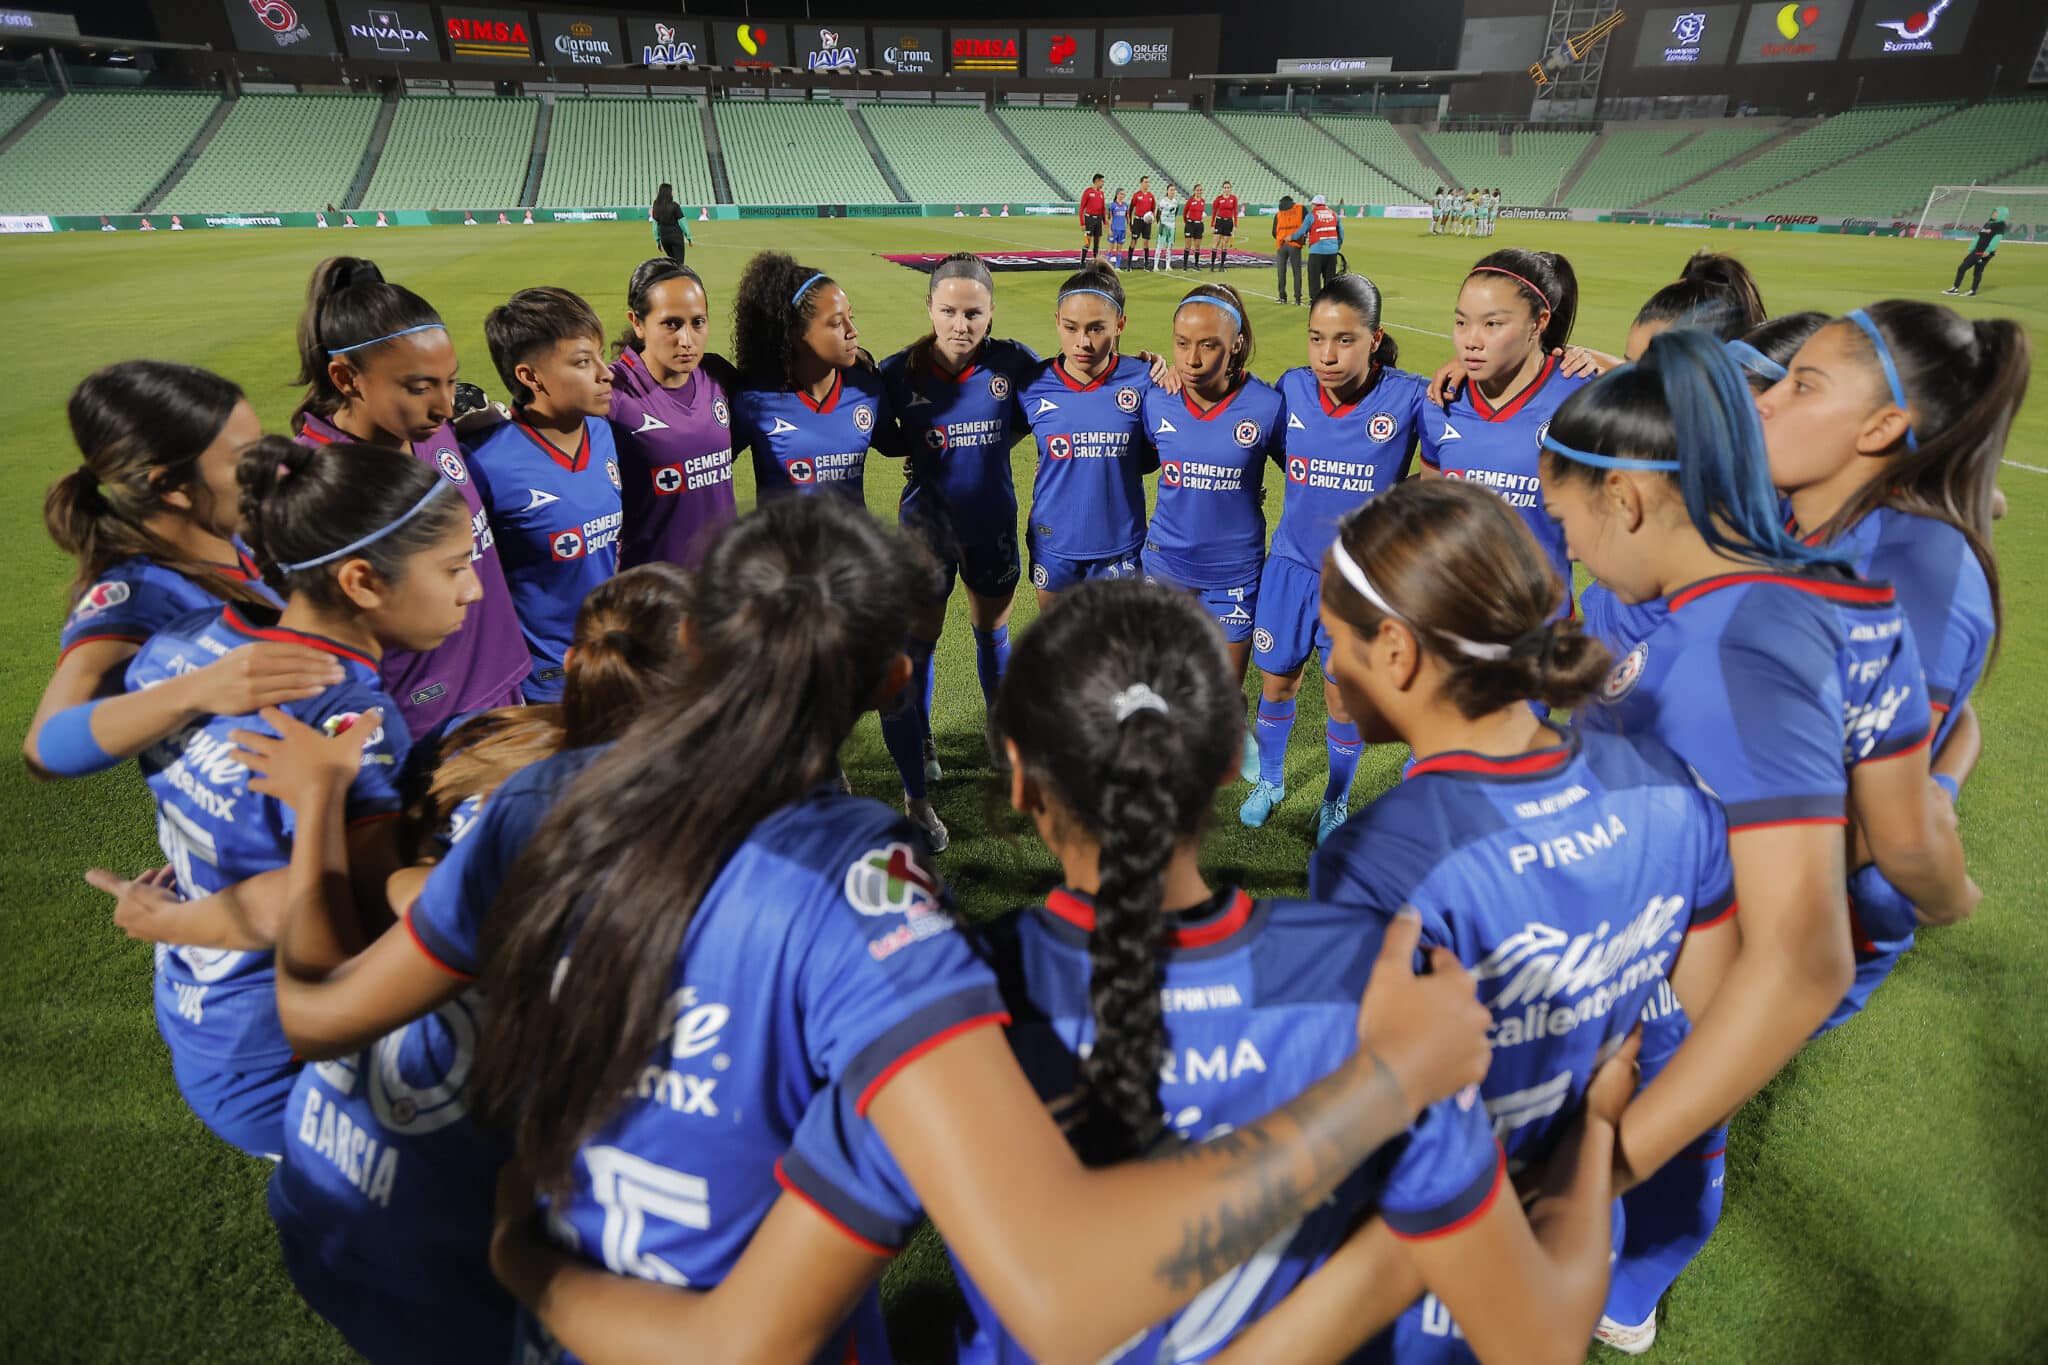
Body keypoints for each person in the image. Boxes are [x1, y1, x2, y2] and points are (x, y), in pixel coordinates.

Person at [458, 495, 1493, 1365]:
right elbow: (1056, 1293)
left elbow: (334, 1002)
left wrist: (516, 1254)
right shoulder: (866, 896)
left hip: (579, 1307)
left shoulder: (540, 807)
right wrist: (1388, 1093)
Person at [1536, 329, 1978, 1352]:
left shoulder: (1727, 654)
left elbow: (1795, 964)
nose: (1568, 553)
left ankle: (1622, 1284)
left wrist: (1596, 1171)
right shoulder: (1769, 597)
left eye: (1565, 524)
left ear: (1627, 502)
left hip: (1660, 997)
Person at [1296, 476, 1734, 1362]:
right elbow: (1709, 1005)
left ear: (1396, 649)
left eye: (1332, 638)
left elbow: (1375, 1127)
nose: (1325, 667)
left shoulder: (1384, 862)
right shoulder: (1663, 782)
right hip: (1583, 1223)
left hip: (1450, 1269)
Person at [227, 564, 691, 1365]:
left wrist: (328, 823)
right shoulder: (653, 841)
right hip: (453, 1247)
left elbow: (382, 906)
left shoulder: (488, 740)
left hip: (324, 1179)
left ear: (576, 666)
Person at [117, 435, 477, 1156]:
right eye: (454, 568)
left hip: (200, 1013)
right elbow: (342, 911)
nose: (472, 588)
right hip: (288, 1056)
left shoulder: (181, 647)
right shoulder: (343, 715)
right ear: (361, 581)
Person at [1760, 301, 2021, 1029]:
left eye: (1802, 386)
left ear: (1879, 428)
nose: (1768, 402)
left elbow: (1875, 824)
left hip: (1811, 906)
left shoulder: (1917, 577)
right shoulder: (1802, 509)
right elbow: (1954, 723)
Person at [26, 362, 334, 784]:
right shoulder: (139, 590)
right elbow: (47, 746)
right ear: (171, 487)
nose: (268, 469)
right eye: (245, 460)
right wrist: (199, 690)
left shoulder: (233, 537)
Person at [291, 256, 531, 737]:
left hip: (502, 683)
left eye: (450, 380)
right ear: (346, 379)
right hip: (418, 723)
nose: (444, 405)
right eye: (421, 387)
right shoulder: (315, 480)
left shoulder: (433, 429)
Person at [1247, 274, 1425, 842]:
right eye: (1317, 337)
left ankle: (1334, 801)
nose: (1327, 354)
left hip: (1359, 583)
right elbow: (1270, 446)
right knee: (1276, 684)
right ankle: (1270, 781)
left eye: (1345, 339)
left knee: (1342, 701)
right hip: (1290, 571)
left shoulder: (1410, 397)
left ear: (1375, 339)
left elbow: (1456, 452)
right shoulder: (1293, 389)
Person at [879, 254, 1040, 795]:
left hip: (991, 521)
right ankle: (921, 739)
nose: (960, 324)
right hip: (926, 528)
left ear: (991, 312)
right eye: (948, 310)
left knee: (992, 631)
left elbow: (1060, 398)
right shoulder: (898, 371)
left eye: (973, 312)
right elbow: (883, 436)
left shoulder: (1014, 363)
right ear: (929, 308)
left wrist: (1151, 366)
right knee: (921, 638)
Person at [1140, 283, 1282, 743]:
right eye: (1181, 344)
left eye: (1208, 346)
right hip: (1165, 566)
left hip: (1234, 572)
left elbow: (1307, 469)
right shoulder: (1156, 396)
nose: (1192, 360)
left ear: (1236, 344)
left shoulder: (1268, 406)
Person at [467, 287, 623, 703]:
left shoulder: (602, 432)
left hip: (611, 667)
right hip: (543, 689)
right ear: (530, 376)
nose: (606, 374)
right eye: (582, 362)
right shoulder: (484, 462)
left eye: (600, 356)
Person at [1418, 249, 1587, 604]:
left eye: (1492, 324)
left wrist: (1594, 357)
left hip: (1539, 627)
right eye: (1462, 322)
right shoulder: (1441, 401)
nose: (1471, 340)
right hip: (1452, 620)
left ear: (1539, 322)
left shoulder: (1580, 398)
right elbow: (1432, 512)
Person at [1019, 263, 1156, 611]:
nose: (1082, 341)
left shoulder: (1146, 379)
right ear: (1057, 321)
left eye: (1097, 328)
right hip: (1054, 542)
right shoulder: (1032, 383)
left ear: (1120, 323)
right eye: (1070, 327)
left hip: (1120, 545)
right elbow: (991, 440)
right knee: (1062, 651)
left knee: (1118, 657)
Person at [728, 251, 896, 503]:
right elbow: (709, 465)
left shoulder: (867, 388)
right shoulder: (754, 399)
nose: (853, 331)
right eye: (837, 323)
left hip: (853, 543)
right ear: (794, 334)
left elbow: (898, 443)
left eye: (851, 317)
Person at [607, 258, 739, 571]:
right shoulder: (610, 392)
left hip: (721, 586)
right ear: (637, 323)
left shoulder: (717, 375)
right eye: (671, 324)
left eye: (698, 322)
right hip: (654, 595)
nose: (687, 340)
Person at [1944, 205, 2007, 297]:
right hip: (1977, 250)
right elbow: (1978, 237)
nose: (1994, 214)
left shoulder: (2001, 225)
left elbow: (1997, 238)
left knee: (1975, 271)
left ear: (2002, 214)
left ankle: (1969, 290)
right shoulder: (1988, 223)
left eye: (1997, 213)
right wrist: (1970, 249)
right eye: (1994, 212)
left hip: (1984, 252)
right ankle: (1957, 289)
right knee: (1963, 268)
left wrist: (1988, 250)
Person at [1291, 194, 1345, 302]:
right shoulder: (1334, 214)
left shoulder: (1312, 215)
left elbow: (1301, 232)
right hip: (1332, 251)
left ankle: (1315, 300)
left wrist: (1291, 237)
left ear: (1314, 204)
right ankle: (1329, 300)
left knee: (1314, 277)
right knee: (1329, 277)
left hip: (1317, 250)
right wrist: (1337, 246)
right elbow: (1341, 233)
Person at [1272, 195, 1305, 304]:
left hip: (1281, 245)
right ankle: (1297, 298)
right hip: (1295, 244)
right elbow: (1308, 223)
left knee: (1281, 271)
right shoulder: (1300, 209)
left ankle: (1282, 297)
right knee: (1297, 272)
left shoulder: (1278, 214)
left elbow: (1273, 232)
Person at [649, 182, 691, 264]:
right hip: (676, 237)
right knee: (679, 264)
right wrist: (688, 236)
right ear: (668, 192)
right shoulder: (674, 206)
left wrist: (657, 240)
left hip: (664, 238)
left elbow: (655, 224)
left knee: (672, 262)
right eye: (672, 191)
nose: (673, 193)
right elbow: (682, 222)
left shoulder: (656, 205)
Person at [1209, 180, 1240, 270]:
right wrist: (1212, 225)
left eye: (1228, 187)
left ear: (1230, 189)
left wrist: (1235, 225)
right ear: (1222, 189)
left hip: (1228, 222)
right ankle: (1212, 265)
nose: (1226, 189)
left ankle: (1222, 266)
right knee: (1216, 243)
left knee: (1225, 243)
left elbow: (1235, 212)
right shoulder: (1218, 199)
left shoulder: (1233, 199)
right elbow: (1214, 212)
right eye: (1225, 188)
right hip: (1219, 222)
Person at [1129, 174, 1158, 269]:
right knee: (1134, 241)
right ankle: (1129, 264)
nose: (1147, 184)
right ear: (1141, 183)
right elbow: (1131, 208)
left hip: (1147, 222)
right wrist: (1130, 222)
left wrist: (1152, 217)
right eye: (1145, 182)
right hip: (1138, 220)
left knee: (1146, 242)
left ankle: (1146, 264)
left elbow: (1153, 208)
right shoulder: (1136, 195)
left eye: (1148, 182)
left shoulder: (1151, 196)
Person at [1079, 172, 1107, 264]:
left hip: (1098, 219)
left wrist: (1105, 222)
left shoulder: (1101, 193)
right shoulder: (1088, 192)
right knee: (1087, 241)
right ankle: (1082, 262)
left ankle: (1095, 262)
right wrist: (1082, 223)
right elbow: (1082, 208)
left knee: (1097, 242)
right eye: (1102, 181)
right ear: (1097, 181)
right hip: (1089, 219)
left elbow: (1103, 209)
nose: (1103, 183)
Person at [1154, 182, 1181, 272]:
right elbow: (1158, 213)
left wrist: (1172, 221)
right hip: (1163, 225)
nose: (1172, 192)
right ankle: (1155, 266)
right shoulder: (1163, 202)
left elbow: (1176, 212)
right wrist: (1159, 224)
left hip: (1171, 225)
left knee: (1169, 246)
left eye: (1174, 190)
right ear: (1167, 191)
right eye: (1171, 190)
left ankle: (1167, 265)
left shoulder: (1175, 202)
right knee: (1160, 245)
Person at [1182, 183, 1206, 270]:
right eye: (1197, 190)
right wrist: (1187, 222)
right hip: (1190, 224)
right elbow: (1184, 213)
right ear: (1194, 191)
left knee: (1197, 245)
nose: (1199, 192)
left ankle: (1196, 265)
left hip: (1199, 224)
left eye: (1200, 190)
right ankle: (1185, 265)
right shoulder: (1190, 201)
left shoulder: (1203, 201)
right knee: (1188, 245)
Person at [1108, 188, 1130, 267]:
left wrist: (1128, 228)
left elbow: (1127, 217)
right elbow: (1110, 218)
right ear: (1117, 194)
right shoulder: (1113, 205)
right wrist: (1109, 229)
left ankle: (1117, 266)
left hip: (1122, 230)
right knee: (1110, 248)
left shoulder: (1125, 205)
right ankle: (1107, 265)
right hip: (1114, 229)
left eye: (1123, 194)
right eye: (1121, 194)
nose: (1122, 196)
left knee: (1119, 249)